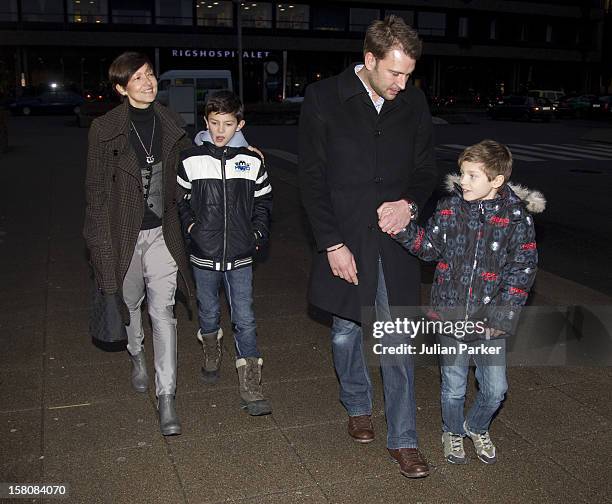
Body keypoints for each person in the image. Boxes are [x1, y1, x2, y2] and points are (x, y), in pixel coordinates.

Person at [298, 16, 438, 478]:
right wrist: (331, 243)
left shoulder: (413, 102)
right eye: (394, 73)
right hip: (345, 237)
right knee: (345, 333)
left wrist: (410, 205)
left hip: (394, 242)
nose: (403, 83)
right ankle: (357, 404)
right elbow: (311, 179)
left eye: (408, 75)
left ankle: (404, 441)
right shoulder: (324, 99)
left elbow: (425, 169)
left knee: (397, 341)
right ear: (369, 59)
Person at [389, 140, 545, 464]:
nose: (463, 181)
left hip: (490, 322)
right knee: (454, 387)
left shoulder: (516, 217)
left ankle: (476, 426)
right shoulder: (450, 208)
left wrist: (501, 318)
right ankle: (452, 431)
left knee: (495, 389)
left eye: (473, 175)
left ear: (497, 180)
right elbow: (429, 247)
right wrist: (402, 229)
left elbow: (522, 270)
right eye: (462, 173)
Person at [83, 51, 193, 436]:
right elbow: (95, 199)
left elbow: (191, 162)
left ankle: (167, 397)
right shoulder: (104, 129)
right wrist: (101, 253)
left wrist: (242, 147)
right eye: (138, 78)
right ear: (120, 88)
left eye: (150, 75)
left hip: (164, 233)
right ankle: (136, 356)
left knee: (163, 311)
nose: (148, 83)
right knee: (128, 304)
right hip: (123, 236)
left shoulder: (170, 122)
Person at [177, 90, 273, 416]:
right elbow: (181, 201)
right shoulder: (190, 159)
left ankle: (251, 384)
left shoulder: (251, 160)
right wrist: (193, 231)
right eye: (214, 123)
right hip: (204, 254)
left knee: (244, 318)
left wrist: (257, 234)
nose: (220, 130)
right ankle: (210, 350)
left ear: (239, 124)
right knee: (208, 311)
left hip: (240, 254)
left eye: (228, 124)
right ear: (205, 121)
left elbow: (264, 201)